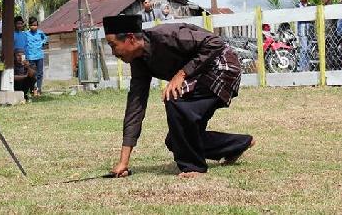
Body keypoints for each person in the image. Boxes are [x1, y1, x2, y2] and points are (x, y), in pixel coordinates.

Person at [103, 15, 254, 178]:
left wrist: (182, 74)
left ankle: (193, 168)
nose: (113, 53)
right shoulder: (139, 61)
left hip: (222, 65)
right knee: (177, 141)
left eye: (113, 45)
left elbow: (215, 43)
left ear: (130, 38)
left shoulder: (166, 36)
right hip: (199, 75)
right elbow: (135, 107)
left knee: (174, 97)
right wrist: (123, 162)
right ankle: (239, 144)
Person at [25, 16, 48, 96]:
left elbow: (45, 38)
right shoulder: (26, 34)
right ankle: (33, 89)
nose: (34, 27)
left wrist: (42, 43)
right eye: (32, 25)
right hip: (31, 57)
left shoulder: (40, 33)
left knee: (40, 73)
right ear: (29, 25)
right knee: (32, 74)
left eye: (35, 25)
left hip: (39, 56)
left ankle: (39, 89)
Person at [295, 0, 313, 71]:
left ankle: (307, 67)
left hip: (310, 29)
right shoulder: (297, 6)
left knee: (309, 49)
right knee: (303, 49)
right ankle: (302, 67)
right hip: (302, 29)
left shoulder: (311, 6)